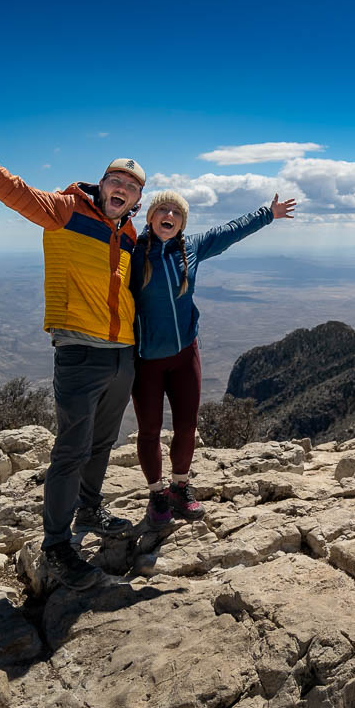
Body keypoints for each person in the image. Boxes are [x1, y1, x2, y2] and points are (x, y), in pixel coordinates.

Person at [0, 80, 141, 590]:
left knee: (102, 444)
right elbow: (4, 184)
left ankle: (89, 514)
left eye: (131, 187)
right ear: (100, 184)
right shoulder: (63, 211)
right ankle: (58, 545)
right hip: (80, 354)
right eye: (115, 181)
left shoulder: (127, 235)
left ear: (136, 200)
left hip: (123, 356)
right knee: (70, 451)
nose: (121, 190)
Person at [131, 189, 296, 528]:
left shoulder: (191, 247)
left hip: (184, 354)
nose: (170, 216)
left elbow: (229, 232)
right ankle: (156, 495)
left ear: (183, 222)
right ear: (150, 217)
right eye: (163, 209)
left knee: (187, 427)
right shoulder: (132, 254)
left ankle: (180, 487)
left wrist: (268, 213)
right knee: (149, 430)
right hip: (146, 359)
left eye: (177, 212)